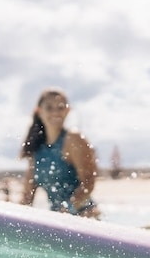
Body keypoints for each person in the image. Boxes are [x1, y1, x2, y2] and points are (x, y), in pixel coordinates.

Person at [19, 88, 100, 217]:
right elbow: (27, 197)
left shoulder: (74, 139)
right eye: (49, 108)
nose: (55, 112)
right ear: (39, 111)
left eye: (61, 107)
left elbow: (88, 182)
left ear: (68, 111)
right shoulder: (36, 149)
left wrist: (67, 210)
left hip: (86, 218)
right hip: (59, 222)